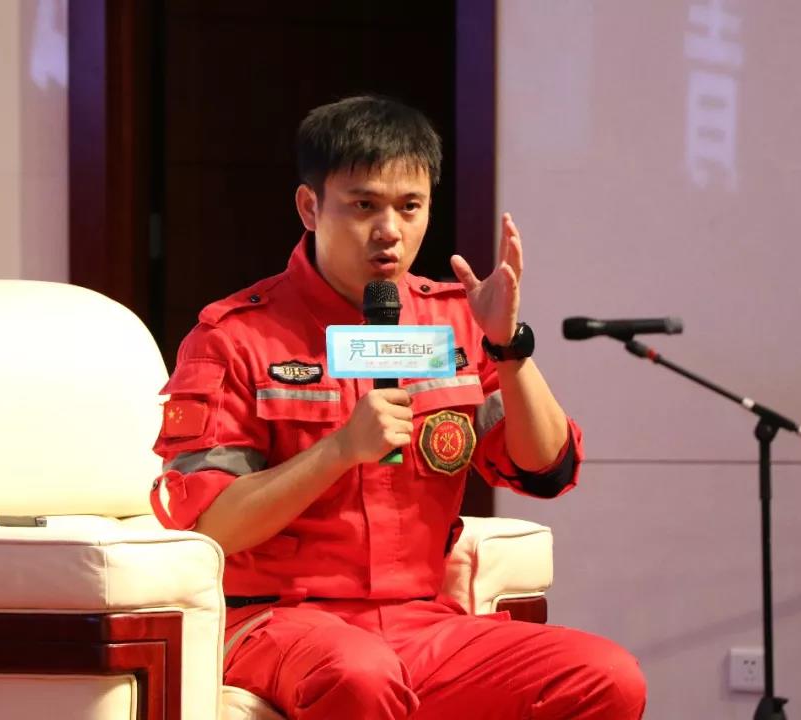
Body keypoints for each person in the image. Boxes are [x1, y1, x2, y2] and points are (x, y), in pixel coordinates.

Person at [151, 95, 646, 719]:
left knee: (606, 678)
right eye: (364, 205)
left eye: (410, 206)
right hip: (278, 620)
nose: (390, 230)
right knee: (361, 676)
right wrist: (339, 450)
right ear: (310, 207)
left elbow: (545, 468)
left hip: (422, 621)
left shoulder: (455, 321)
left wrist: (508, 346)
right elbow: (208, 528)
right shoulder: (235, 336)